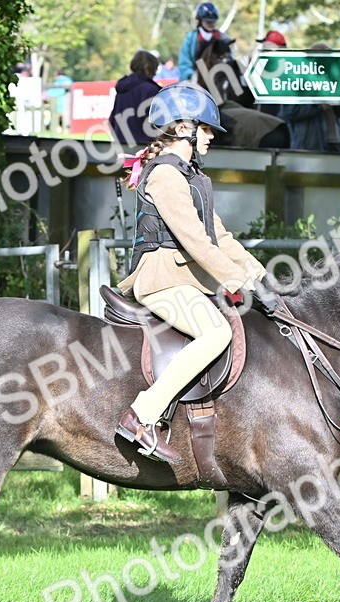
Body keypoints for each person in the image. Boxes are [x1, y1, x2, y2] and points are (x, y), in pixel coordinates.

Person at [114, 83, 274, 463]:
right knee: (216, 332)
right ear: (183, 128)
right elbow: (195, 243)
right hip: (162, 280)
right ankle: (143, 415)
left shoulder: (192, 177)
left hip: (185, 280)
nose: (212, 137)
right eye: (206, 129)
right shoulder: (166, 176)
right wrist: (236, 281)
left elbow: (219, 236)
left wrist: (260, 276)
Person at [195, 38, 287, 148]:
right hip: (269, 125)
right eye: (222, 56)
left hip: (250, 128)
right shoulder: (230, 71)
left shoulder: (230, 71)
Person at [109, 50, 162, 147]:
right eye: (155, 67)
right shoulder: (150, 89)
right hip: (143, 149)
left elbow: (112, 120)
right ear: (147, 67)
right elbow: (157, 123)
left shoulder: (122, 88)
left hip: (121, 147)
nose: (156, 72)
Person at [178, 2, 223, 82]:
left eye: (213, 22)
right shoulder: (191, 37)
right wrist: (191, 76)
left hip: (217, 79)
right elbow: (184, 62)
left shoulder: (222, 37)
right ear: (200, 20)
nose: (211, 24)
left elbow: (228, 58)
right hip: (194, 79)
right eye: (208, 22)